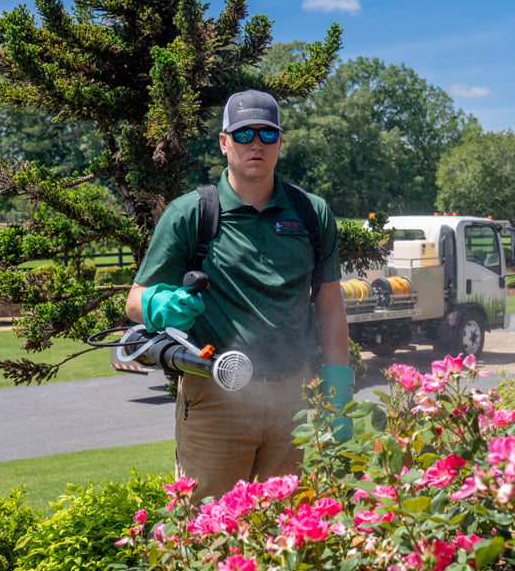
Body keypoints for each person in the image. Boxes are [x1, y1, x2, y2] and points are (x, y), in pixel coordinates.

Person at [125, 89, 353, 502]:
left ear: (280, 142)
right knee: (207, 531)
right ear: (224, 141)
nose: (256, 145)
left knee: (289, 532)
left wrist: (339, 384)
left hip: (295, 400)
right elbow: (134, 300)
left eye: (268, 135)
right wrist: (161, 305)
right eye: (244, 134)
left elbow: (330, 304)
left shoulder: (310, 212)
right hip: (216, 398)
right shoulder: (191, 213)